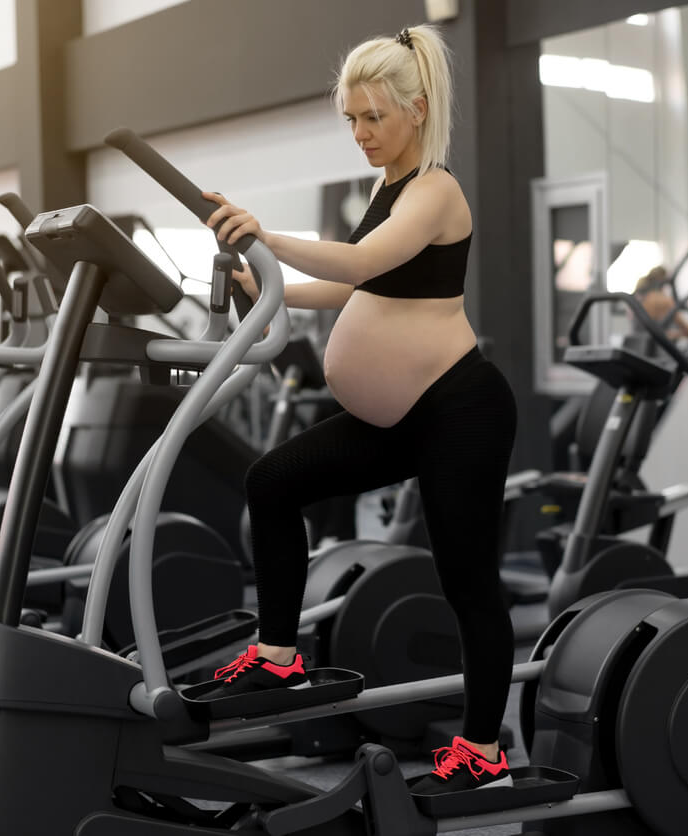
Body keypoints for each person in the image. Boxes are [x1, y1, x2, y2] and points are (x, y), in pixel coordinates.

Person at [198, 24, 518, 794]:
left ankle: (484, 752)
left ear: (415, 111)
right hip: (399, 416)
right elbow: (350, 287)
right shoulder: (386, 189)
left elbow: (364, 261)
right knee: (272, 482)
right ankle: (278, 656)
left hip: (458, 408)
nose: (360, 134)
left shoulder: (437, 191)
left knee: (466, 580)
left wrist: (263, 234)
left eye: (373, 117)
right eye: (350, 118)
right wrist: (263, 286)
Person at [632, 265, 688, 340]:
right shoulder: (662, 300)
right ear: (664, 280)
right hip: (655, 345)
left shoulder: (640, 299)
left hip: (639, 343)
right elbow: (686, 328)